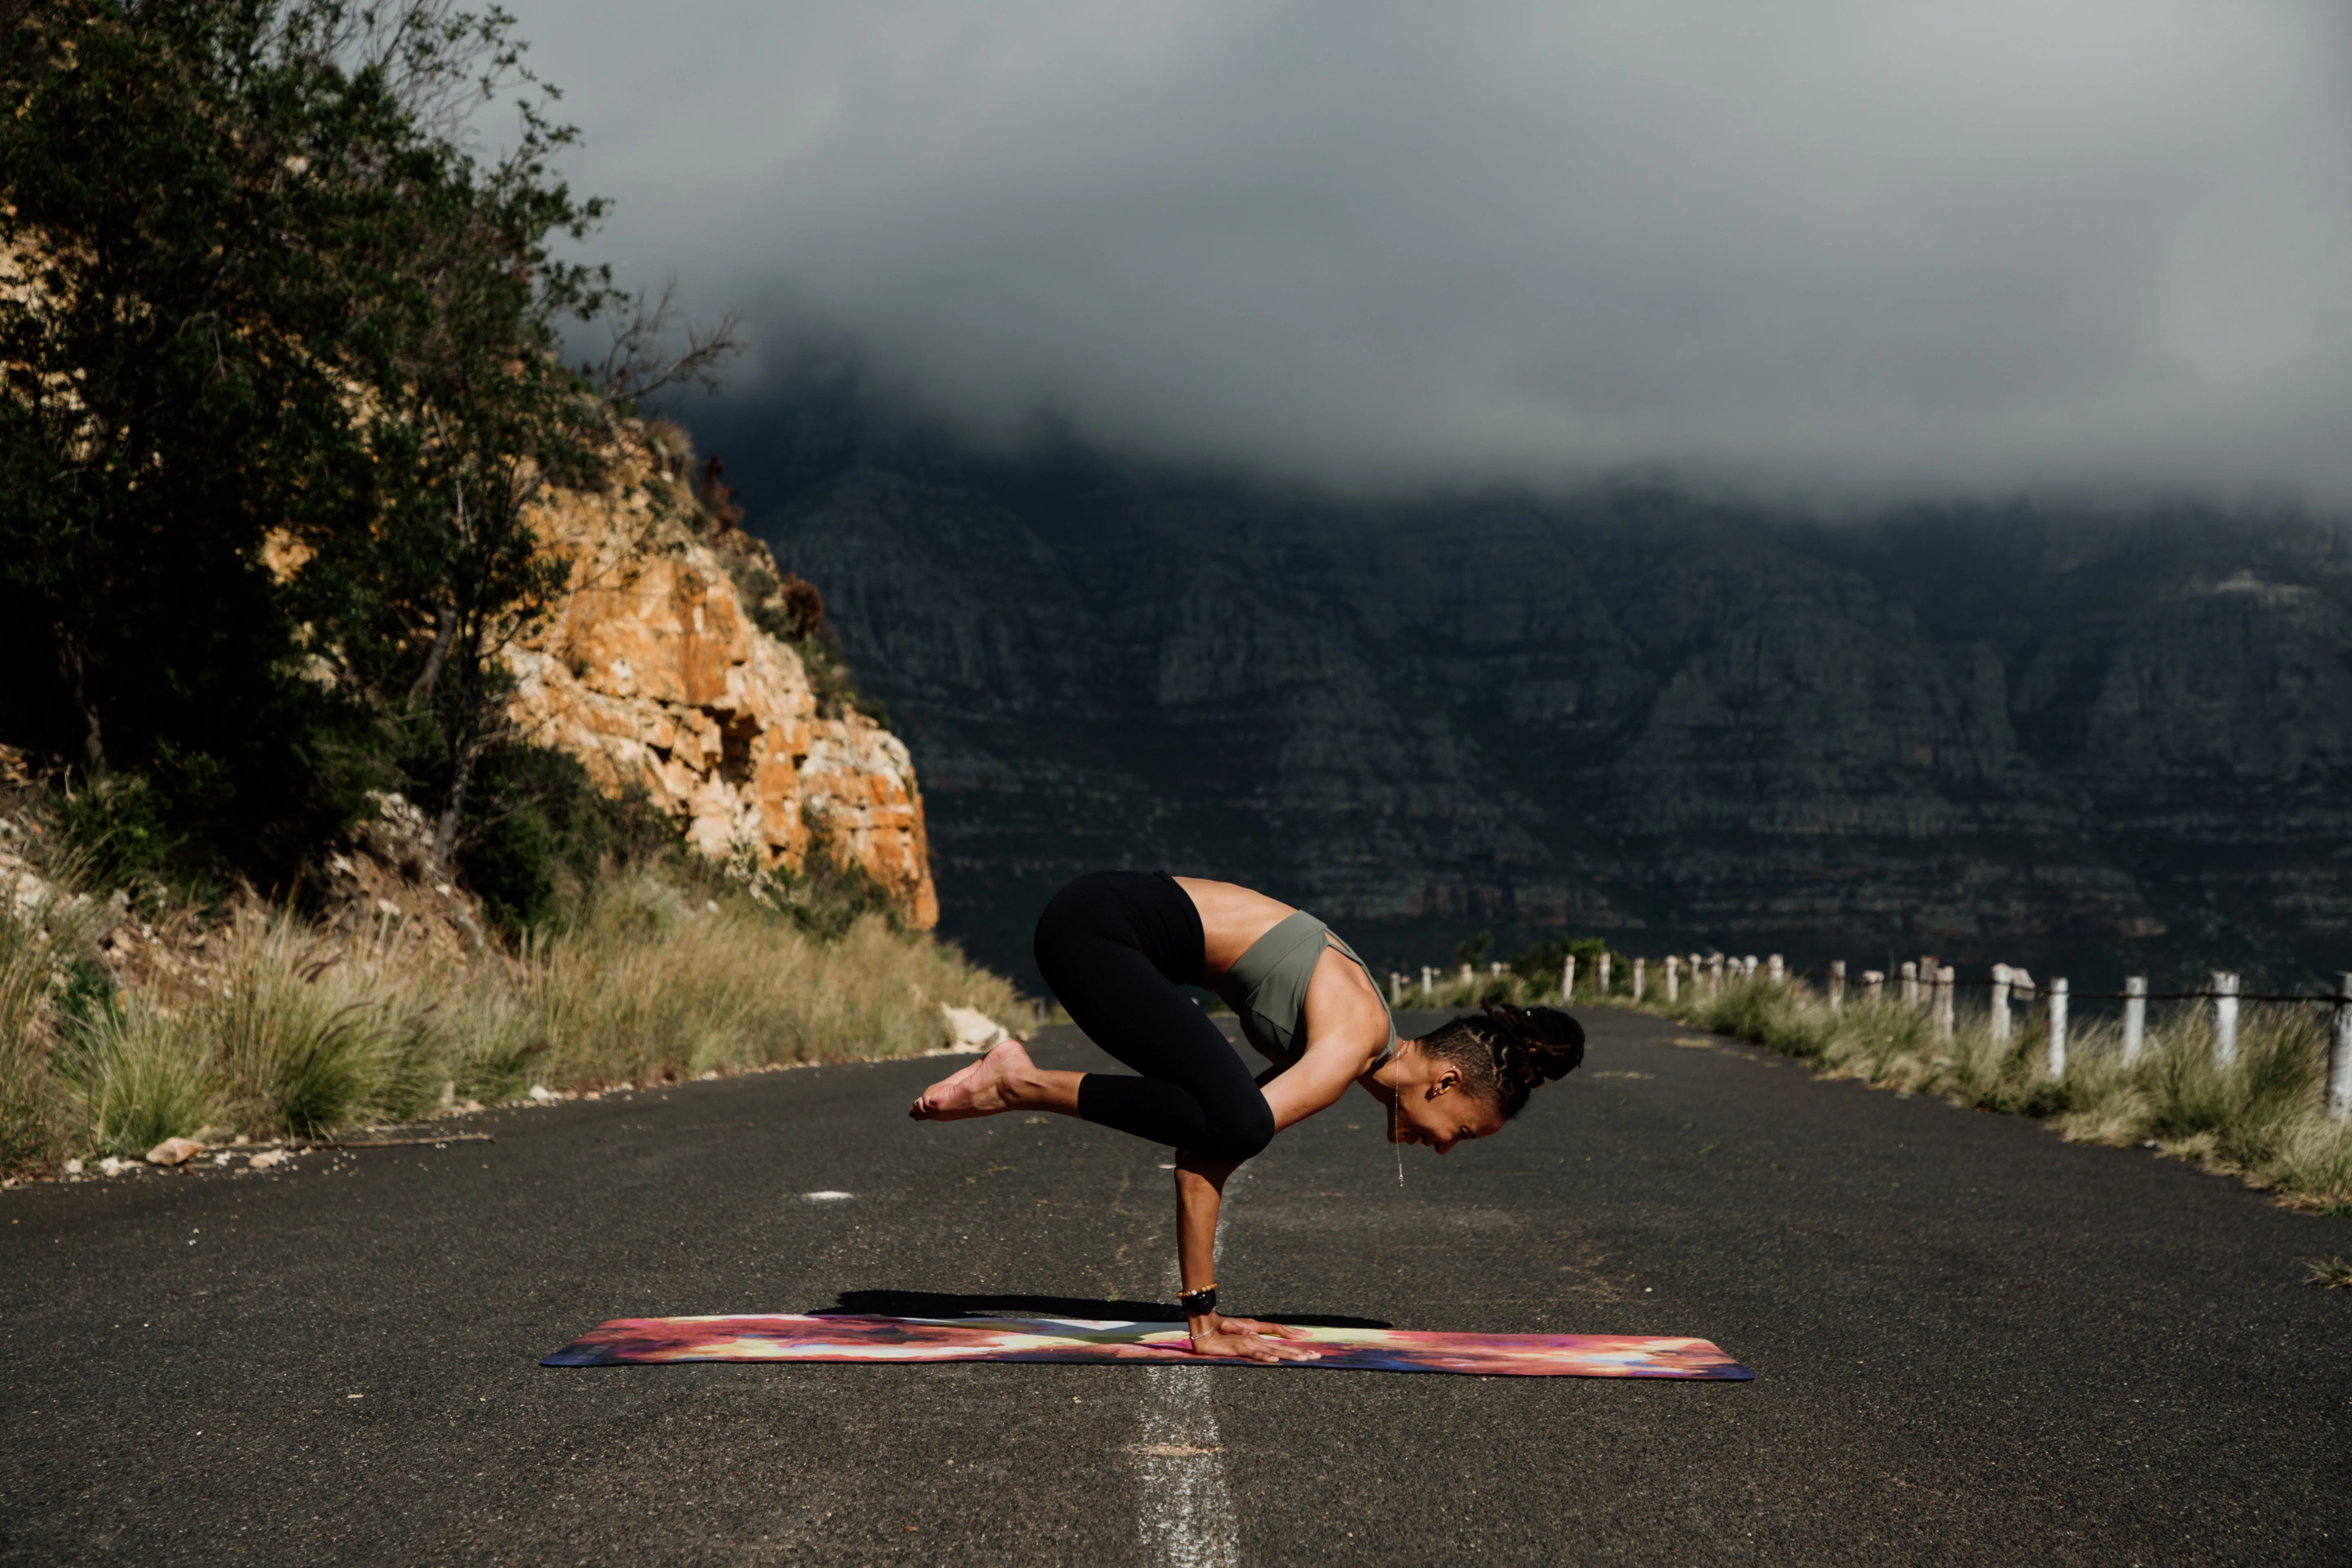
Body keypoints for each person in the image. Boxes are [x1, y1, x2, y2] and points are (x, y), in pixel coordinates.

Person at [910, 870, 1585, 1363]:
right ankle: (1016, 1084)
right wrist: (1203, 1323)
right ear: (1446, 1081)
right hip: (1096, 930)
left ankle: (1018, 1084)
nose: (1444, 1149)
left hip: (1100, 925)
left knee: (1232, 1119)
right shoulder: (1353, 1038)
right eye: (1461, 1132)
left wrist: (1206, 1313)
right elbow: (1220, 1146)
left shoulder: (1356, 1040)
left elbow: (1205, 1151)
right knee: (1241, 1122)